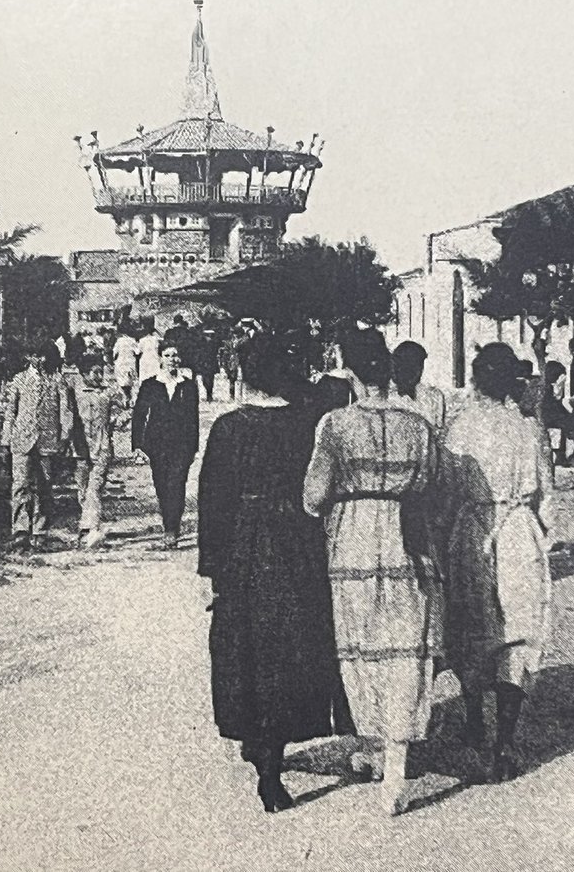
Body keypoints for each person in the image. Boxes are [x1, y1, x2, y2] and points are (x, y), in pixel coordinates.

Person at [198, 334, 345, 813]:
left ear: (244, 373)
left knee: (247, 650)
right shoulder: (309, 423)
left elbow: (213, 504)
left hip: (244, 547)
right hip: (298, 544)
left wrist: (213, 567)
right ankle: (273, 766)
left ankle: (259, 748)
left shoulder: (229, 428)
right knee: (291, 648)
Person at [302, 331, 440, 816]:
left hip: (355, 541)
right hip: (410, 538)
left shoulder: (335, 425)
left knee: (362, 647)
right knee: (406, 648)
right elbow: (431, 484)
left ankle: (378, 746)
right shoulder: (419, 425)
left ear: (353, 372)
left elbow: (313, 497)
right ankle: (395, 766)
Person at [437, 343, 552, 783]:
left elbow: (446, 490)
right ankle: (504, 742)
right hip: (519, 529)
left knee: (472, 621)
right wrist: (544, 531)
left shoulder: (459, 428)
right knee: (518, 630)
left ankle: (472, 717)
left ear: (475, 378)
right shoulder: (528, 429)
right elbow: (545, 492)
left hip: (473, 529)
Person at [1, 341, 83, 552]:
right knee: (20, 485)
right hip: (22, 441)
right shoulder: (19, 380)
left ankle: (40, 531)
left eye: (44, 356)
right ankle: (20, 531)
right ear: (29, 357)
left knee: (44, 487)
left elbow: (66, 411)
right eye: (35, 356)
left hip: (48, 441)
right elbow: (10, 413)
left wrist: (65, 436)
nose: (40, 361)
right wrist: (5, 441)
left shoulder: (58, 381)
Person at [131, 342, 200, 548]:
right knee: (162, 486)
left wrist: (193, 448)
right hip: (157, 445)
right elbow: (139, 416)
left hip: (181, 446)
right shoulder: (150, 385)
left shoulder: (188, 386)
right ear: (160, 358)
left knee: (177, 484)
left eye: (175, 355)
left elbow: (193, 419)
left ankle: (172, 529)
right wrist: (138, 445)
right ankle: (168, 522)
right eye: (168, 355)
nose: (172, 359)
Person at [73, 353, 129, 549]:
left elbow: (127, 407)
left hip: (102, 446)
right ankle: (86, 526)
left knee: (94, 488)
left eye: (101, 372)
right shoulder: (76, 393)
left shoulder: (108, 393)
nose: (98, 376)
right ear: (83, 374)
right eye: (94, 372)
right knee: (82, 489)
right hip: (79, 448)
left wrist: (118, 420)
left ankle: (93, 529)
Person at [391, 341, 448, 437]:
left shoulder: (434, 396)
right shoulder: (387, 398)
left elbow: (439, 434)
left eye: (419, 366)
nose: (418, 372)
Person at [541, 360, 573, 464]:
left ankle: (560, 454)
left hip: (547, 415)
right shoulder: (549, 388)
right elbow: (557, 398)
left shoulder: (545, 385)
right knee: (567, 423)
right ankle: (561, 454)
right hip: (549, 416)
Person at [112, 327, 141, 402]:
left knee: (122, 381)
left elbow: (115, 352)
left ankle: (125, 397)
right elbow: (137, 352)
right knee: (129, 381)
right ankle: (129, 397)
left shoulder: (119, 341)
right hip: (130, 362)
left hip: (121, 363)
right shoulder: (132, 340)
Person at [193, 329, 219, 402]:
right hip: (210, 364)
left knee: (206, 380)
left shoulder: (204, 343)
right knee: (209, 380)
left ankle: (209, 395)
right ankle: (209, 395)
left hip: (205, 363)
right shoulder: (214, 342)